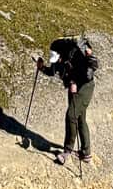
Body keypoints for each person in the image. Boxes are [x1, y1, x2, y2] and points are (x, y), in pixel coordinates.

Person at [37, 35, 99, 164]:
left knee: (71, 116)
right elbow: (53, 71)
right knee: (80, 118)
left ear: (62, 54)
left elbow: (88, 72)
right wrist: (42, 67)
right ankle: (86, 153)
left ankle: (67, 151)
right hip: (74, 88)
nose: (57, 61)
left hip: (85, 88)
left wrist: (74, 81)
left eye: (58, 58)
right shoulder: (59, 59)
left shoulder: (76, 56)